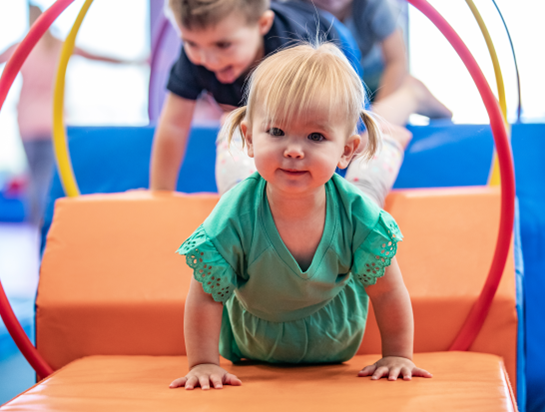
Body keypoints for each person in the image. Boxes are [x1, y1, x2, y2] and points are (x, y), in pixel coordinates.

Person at [169, 42, 431, 390]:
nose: (293, 150)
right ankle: (228, 136)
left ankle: (389, 142)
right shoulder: (236, 212)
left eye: (316, 136)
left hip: (334, 335)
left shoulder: (356, 213)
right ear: (251, 137)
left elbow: (387, 292)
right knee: (235, 181)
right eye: (276, 132)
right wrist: (203, 363)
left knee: (368, 186)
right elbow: (205, 294)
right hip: (254, 343)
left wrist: (399, 355)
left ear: (345, 150)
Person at [150, 0, 405, 208]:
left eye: (223, 45)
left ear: (262, 24)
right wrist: (160, 195)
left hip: (331, 46)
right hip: (260, 100)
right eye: (191, 43)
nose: (208, 58)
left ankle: (407, 102)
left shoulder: (292, 46)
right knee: (239, 126)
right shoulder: (196, 55)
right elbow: (173, 124)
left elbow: (309, 131)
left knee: (353, 133)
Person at [0, 4, 137, 225]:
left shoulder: (22, 48)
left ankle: (38, 225)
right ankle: (47, 225)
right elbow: (96, 56)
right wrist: (132, 61)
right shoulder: (60, 46)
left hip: (29, 123)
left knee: (35, 177)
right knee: (49, 179)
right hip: (53, 124)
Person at [301, 0, 453, 128]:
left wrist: (376, 115)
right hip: (337, 85)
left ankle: (418, 96)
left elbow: (396, 61)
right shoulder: (293, 9)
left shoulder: (373, 4)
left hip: (375, 79)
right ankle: (413, 95)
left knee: (376, 126)